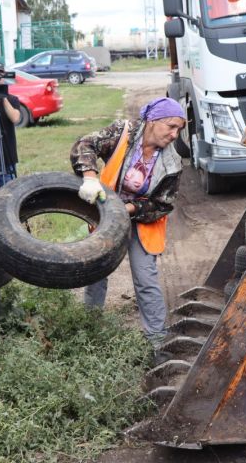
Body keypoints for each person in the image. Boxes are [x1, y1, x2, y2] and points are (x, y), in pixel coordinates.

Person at [70, 97, 186, 361]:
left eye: (178, 129)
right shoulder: (123, 133)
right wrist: (90, 177)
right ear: (153, 121)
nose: (174, 134)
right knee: (97, 273)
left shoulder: (172, 163)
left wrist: (128, 210)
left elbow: (163, 203)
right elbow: (85, 144)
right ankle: (90, 334)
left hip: (142, 222)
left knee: (146, 281)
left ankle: (156, 344)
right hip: (106, 217)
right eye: (170, 126)